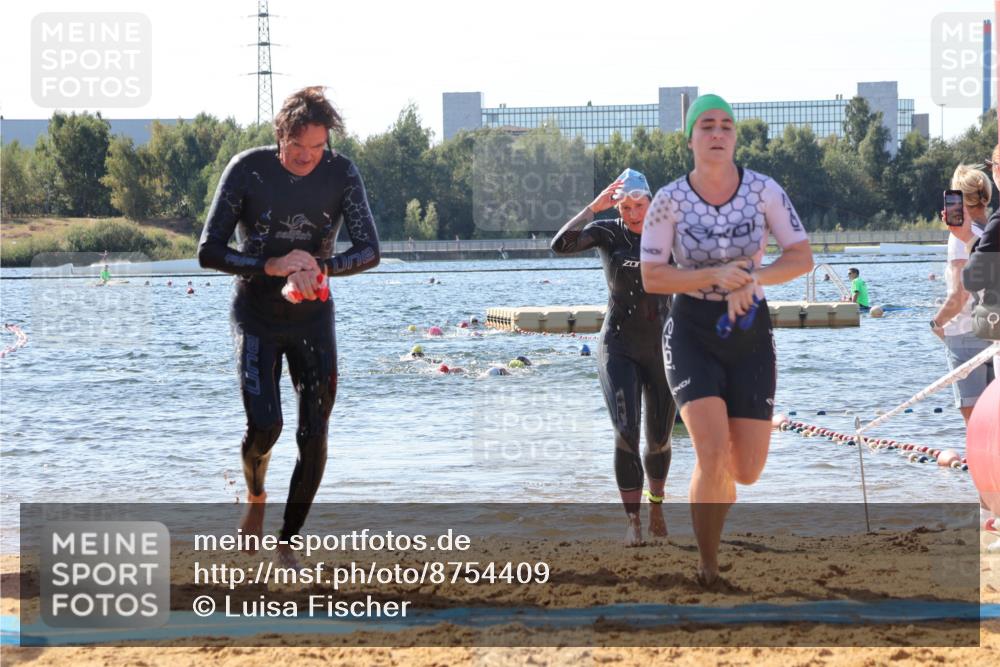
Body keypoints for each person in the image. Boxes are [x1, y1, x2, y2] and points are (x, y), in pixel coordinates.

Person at [199, 86, 380, 566]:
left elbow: (369, 250)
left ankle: (289, 540)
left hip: (313, 316)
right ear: (280, 136)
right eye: (297, 148)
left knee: (313, 433)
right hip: (256, 316)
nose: (306, 158)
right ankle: (256, 496)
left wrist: (321, 270)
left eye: (316, 149)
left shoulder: (341, 172)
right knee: (266, 426)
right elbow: (209, 251)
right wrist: (273, 265)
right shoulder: (247, 170)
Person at [639, 94, 813, 585]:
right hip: (692, 330)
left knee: (746, 471)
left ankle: (717, 490)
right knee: (710, 455)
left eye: (726, 126)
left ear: (735, 136)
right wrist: (715, 273)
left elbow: (801, 256)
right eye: (707, 126)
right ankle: (708, 567)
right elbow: (653, 276)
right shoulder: (668, 201)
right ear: (690, 139)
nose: (717, 134)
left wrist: (753, 280)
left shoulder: (764, 191)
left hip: (749, 330)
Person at [552, 168, 677, 546]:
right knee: (625, 432)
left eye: (639, 205)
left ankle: (656, 503)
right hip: (618, 346)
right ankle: (633, 521)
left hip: (662, 348)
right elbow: (560, 245)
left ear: (652, 202)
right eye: (625, 206)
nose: (633, 213)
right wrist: (593, 208)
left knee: (658, 441)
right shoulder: (608, 231)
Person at [931, 165, 995, 423]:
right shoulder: (992, 231)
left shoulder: (960, 237)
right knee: (994, 418)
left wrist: (937, 322)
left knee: (975, 421)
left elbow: (961, 294)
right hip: (992, 330)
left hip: (965, 335)